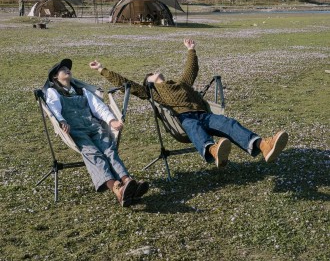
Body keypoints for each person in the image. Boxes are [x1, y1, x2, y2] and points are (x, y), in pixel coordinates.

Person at [89, 39, 288, 168]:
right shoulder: (152, 91)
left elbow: (191, 70)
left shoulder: (181, 83)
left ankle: (264, 146)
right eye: (150, 74)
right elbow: (127, 84)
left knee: (229, 124)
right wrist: (101, 69)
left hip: (204, 113)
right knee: (193, 127)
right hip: (182, 119)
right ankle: (212, 150)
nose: (154, 72)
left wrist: (191, 50)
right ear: (147, 82)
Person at [46, 58, 149, 207]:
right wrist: (62, 121)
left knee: (109, 150)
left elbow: (98, 107)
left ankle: (127, 181)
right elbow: (53, 108)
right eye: (63, 69)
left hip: (94, 127)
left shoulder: (82, 90)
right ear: (55, 76)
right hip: (75, 131)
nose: (67, 70)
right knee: (94, 155)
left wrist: (111, 120)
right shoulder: (53, 91)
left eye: (68, 68)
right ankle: (117, 189)